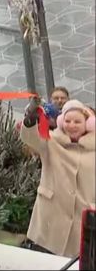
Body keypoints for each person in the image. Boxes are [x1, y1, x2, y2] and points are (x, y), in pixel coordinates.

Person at [21, 98, 95, 257]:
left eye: (77, 121)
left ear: (88, 124)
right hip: (50, 221)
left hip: (81, 224)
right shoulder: (51, 140)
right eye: (68, 120)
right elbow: (30, 138)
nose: (72, 125)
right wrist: (30, 118)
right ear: (61, 122)